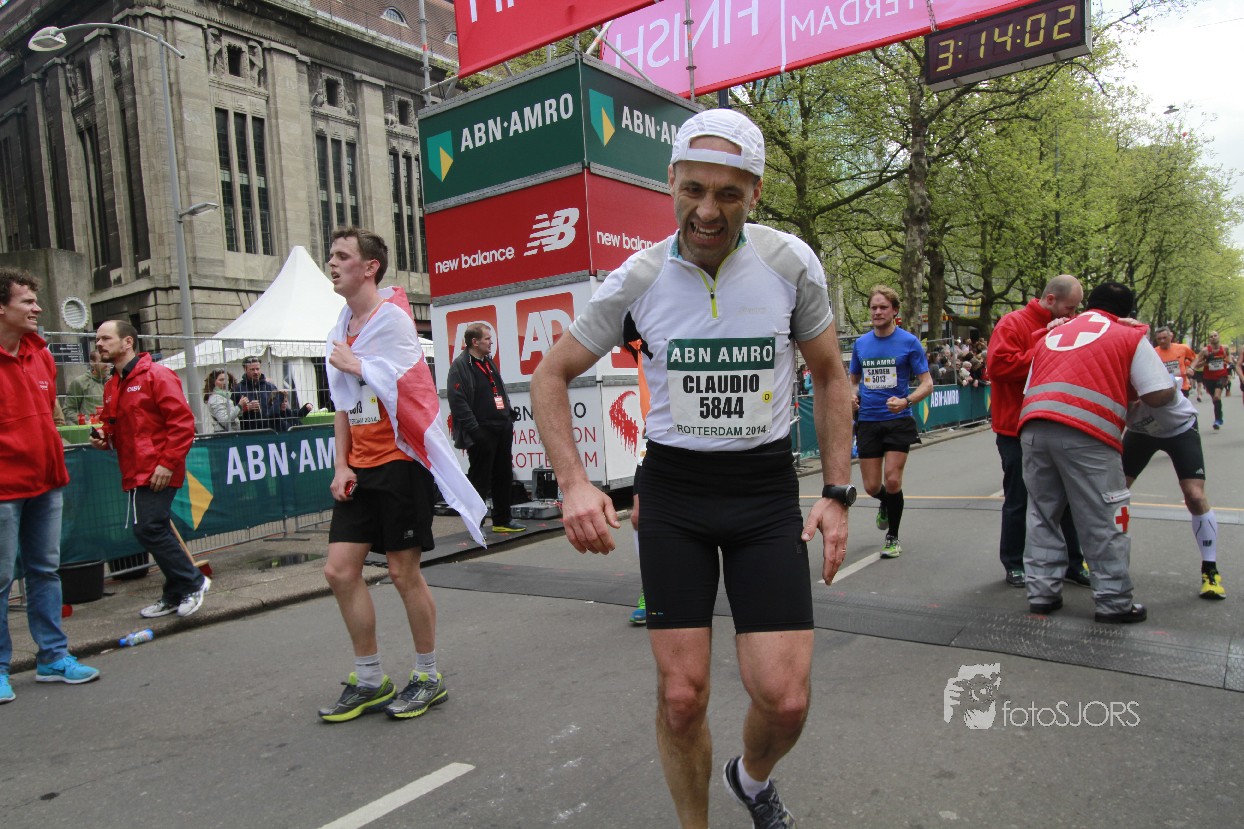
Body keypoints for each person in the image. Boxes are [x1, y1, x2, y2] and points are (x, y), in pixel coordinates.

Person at [532, 108, 854, 829]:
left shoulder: (789, 263)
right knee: (682, 697)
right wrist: (575, 482)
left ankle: (751, 777)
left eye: (729, 194)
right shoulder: (639, 277)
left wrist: (837, 491)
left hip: (763, 492)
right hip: (675, 493)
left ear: (755, 193)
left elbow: (831, 374)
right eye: (694, 189)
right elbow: (551, 374)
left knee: (785, 699)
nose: (708, 211)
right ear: (670, 182)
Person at [319, 226, 485, 723]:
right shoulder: (341, 326)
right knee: (339, 571)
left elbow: (410, 388)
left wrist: (359, 365)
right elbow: (343, 405)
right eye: (331, 255)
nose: (332, 263)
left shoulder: (392, 321)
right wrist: (341, 464)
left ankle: (428, 675)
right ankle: (370, 679)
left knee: (401, 572)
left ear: (369, 267)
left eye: (342, 256)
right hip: (360, 469)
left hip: (400, 463)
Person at [1019, 281, 1175, 624]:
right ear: (1127, 311)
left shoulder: (1053, 333)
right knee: (1105, 517)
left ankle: (1042, 593)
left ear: (1089, 303)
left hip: (1033, 427)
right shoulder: (1128, 335)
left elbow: (1030, 386)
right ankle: (1113, 601)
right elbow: (1159, 392)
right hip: (1088, 432)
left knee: (1042, 514)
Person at [0, 268, 101, 704]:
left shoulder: (41, 355)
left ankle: (53, 658)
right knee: (1, 579)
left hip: (46, 482)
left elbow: (49, 415)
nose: (37, 308)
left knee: (44, 571)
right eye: (27, 301)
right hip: (3, 489)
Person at [90, 320, 210, 619]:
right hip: (136, 469)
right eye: (97, 339)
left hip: (157, 468)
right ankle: (174, 593)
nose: (99, 344)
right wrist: (104, 437)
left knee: (149, 528)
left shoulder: (157, 375)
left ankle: (193, 582)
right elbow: (116, 426)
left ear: (127, 341)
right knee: (153, 528)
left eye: (105, 338)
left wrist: (166, 464)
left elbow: (182, 423)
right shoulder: (113, 384)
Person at [985, 275, 1090, 588]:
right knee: (1018, 498)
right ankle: (1014, 563)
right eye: (1069, 308)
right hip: (1015, 428)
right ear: (1050, 300)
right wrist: (1045, 343)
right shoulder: (1013, 323)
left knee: (1066, 499)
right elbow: (998, 367)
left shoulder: (1069, 324)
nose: (1073, 314)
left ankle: (1073, 562)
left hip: (1056, 423)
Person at [849, 284, 933, 559]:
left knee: (893, 480)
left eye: (883, 307)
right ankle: (886, 502)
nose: (877, 312)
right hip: (868, 421)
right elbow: (853, 380)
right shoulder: (861, 344)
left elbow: (927, 383)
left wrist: (906, 401)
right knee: (872, 487)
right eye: (874, 307)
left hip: (898, 420)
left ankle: (892, 537)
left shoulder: (909, 342)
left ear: (895, 311)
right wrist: (852, 396)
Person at [1123, 372, 1224, 599]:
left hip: (1180, 428)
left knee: (1195, 495)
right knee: (1115, 492)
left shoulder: (1151, 374)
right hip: (1141, 432)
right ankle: (1100, 557)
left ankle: (1210, 570)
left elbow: (1163, 393)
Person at [446, 323, 525, 534]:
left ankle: (502, 519)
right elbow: (457, 401)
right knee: (479, 478)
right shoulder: (460, 366)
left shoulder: (488, 362)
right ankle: (476, 524)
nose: (491, 342)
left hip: (501, 426)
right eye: (487, 339)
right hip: (481, 430)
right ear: (475, 341)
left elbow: (498, 389)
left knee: (504, 474)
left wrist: (508, 415)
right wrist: (475, 430)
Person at [234, 355, 292, 431]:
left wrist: (281, 402)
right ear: (245, 369)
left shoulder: (271, 387)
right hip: (248, 432)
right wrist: (246, 408)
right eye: (252, 369)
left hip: (271, 430)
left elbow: (278, 410)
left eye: (257, 369)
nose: (256, 372)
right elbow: (232, 415)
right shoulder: (237, 389)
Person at [1191, 331, 1230, 429]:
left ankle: (1218, 420)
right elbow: (1197, 365)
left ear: (1218, 337)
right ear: (1209, 339)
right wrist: (1206, 361)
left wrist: (1229, 367)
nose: (1213, 337)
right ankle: (1219, 417)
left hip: (1222, 376)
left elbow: (1228, 360)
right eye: (1211, 336)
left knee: (1217, 396)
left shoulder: (1225, 348)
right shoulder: (1205, 351)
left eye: (1215, 335)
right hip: (1209, 378)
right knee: (1215, 399)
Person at [63, 347, 108, 422]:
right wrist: (85, 421)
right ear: (92, 363)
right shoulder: (80, 382)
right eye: (102, 361)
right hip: (91, 428)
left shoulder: (114, 381)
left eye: (108, 361)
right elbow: (68, 409)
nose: (106, 364)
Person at [1153, 327, 1197, 397]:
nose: (1162, 341)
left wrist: (1191, 368)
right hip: (1164, 388)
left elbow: (1195, 359)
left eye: (1164, 338)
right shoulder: (1153, 352)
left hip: (1182, 387)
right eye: (1159, 339)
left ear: (1170, 336)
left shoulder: (1183, 348)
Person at [203, 369, 245, 433]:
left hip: (230, 433)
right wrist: (239, 406)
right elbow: (225, 421)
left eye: (227, 379)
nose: (225, 382)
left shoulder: (225, 396)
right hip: (224, 434)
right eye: (221, 380)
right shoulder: (216, 399)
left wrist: (242, 408)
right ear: (213, 382)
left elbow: (232, 416)